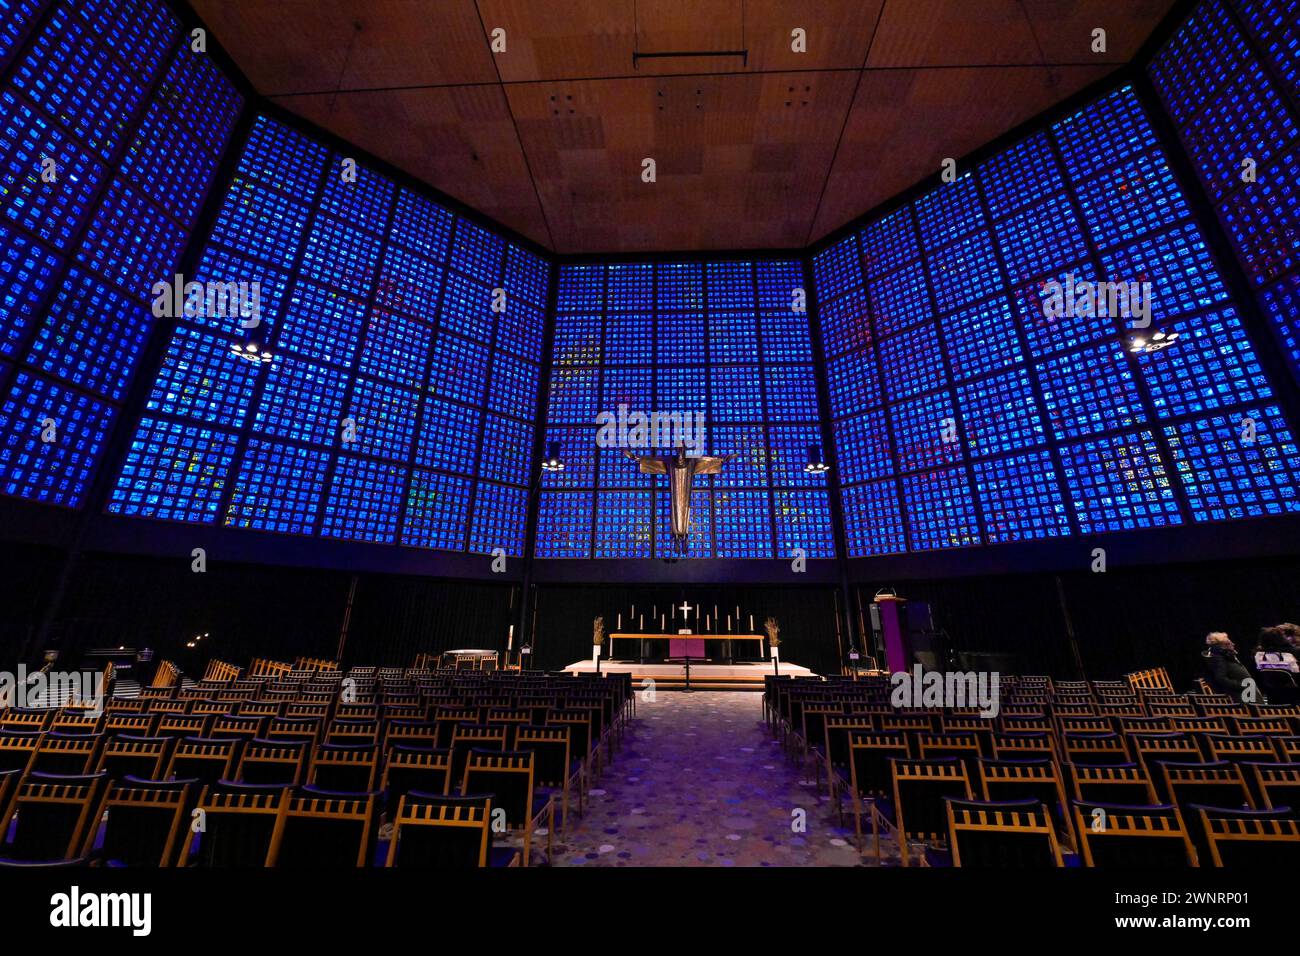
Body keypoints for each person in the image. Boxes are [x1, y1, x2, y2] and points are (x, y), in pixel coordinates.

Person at [1201, 632, 1252, 697]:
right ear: (1223, 646)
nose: (1233, 644)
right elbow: (1221, 679)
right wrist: (1243, 685)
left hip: (1245, 693)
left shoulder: (1225, 656)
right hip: (1240, 696)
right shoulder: (1218, 658)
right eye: (1230, 643)